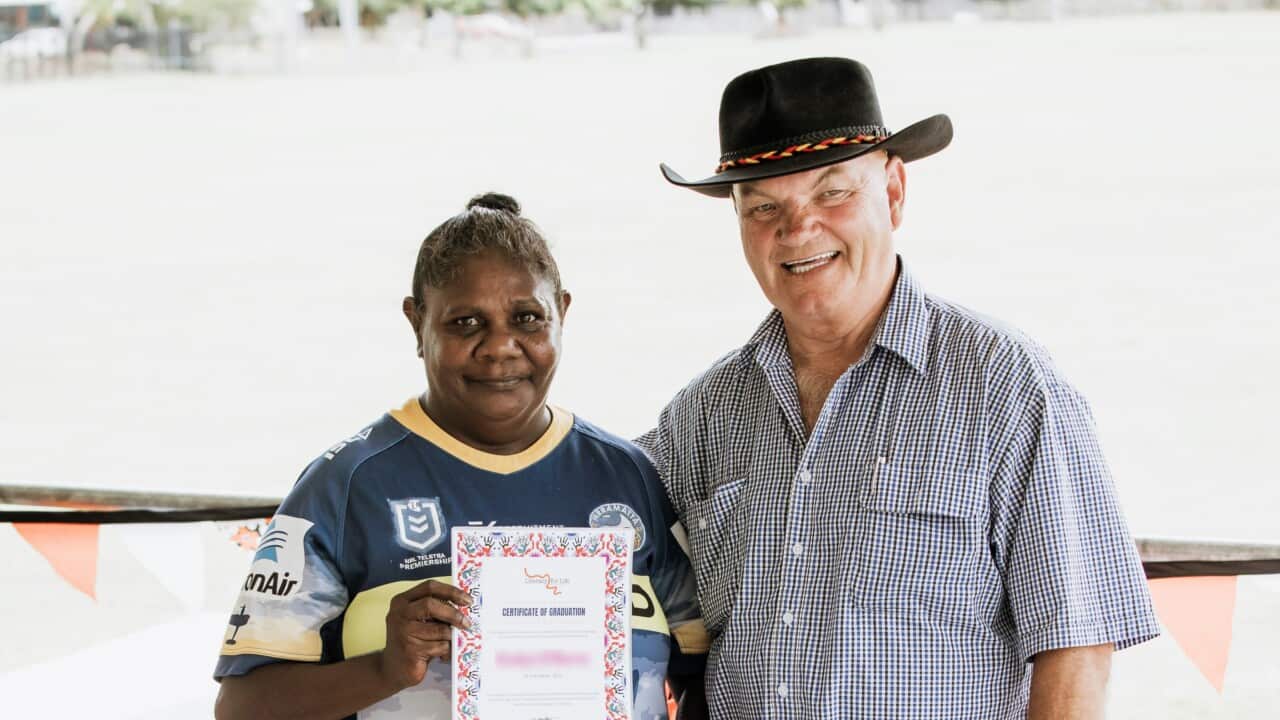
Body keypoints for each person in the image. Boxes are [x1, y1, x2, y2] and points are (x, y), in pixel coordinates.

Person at [638, 57, 1160, 719]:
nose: (797, 230)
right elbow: (592, 536)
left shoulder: (1007, 386)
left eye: (832, 193)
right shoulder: (701, 415)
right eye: (765, 206)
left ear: (893, 192)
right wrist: (470, 604)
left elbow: (1077, 653)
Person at [213, 193, 705, 720]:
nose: (500, 347)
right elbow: (241, 707)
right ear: (416, 322)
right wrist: (386, 668)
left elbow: (703, 676)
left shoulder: (629, 477)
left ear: (561, 313)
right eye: (466, 323)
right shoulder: (346, 485)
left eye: (527, 318)